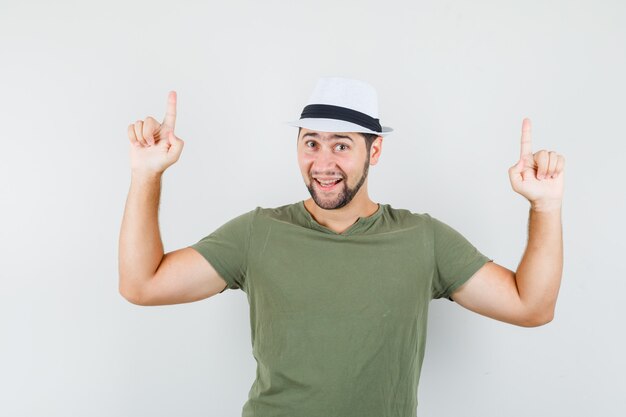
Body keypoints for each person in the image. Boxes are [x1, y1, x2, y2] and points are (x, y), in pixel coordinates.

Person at [118, 77, 564, 417]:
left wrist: (545, 207)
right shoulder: (258, 232)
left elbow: (531, 307)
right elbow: (143, 284)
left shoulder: (422, 239)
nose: (323, 163)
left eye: (342, 145)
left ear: (375, 152)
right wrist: (146, 174)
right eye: (311, 143)